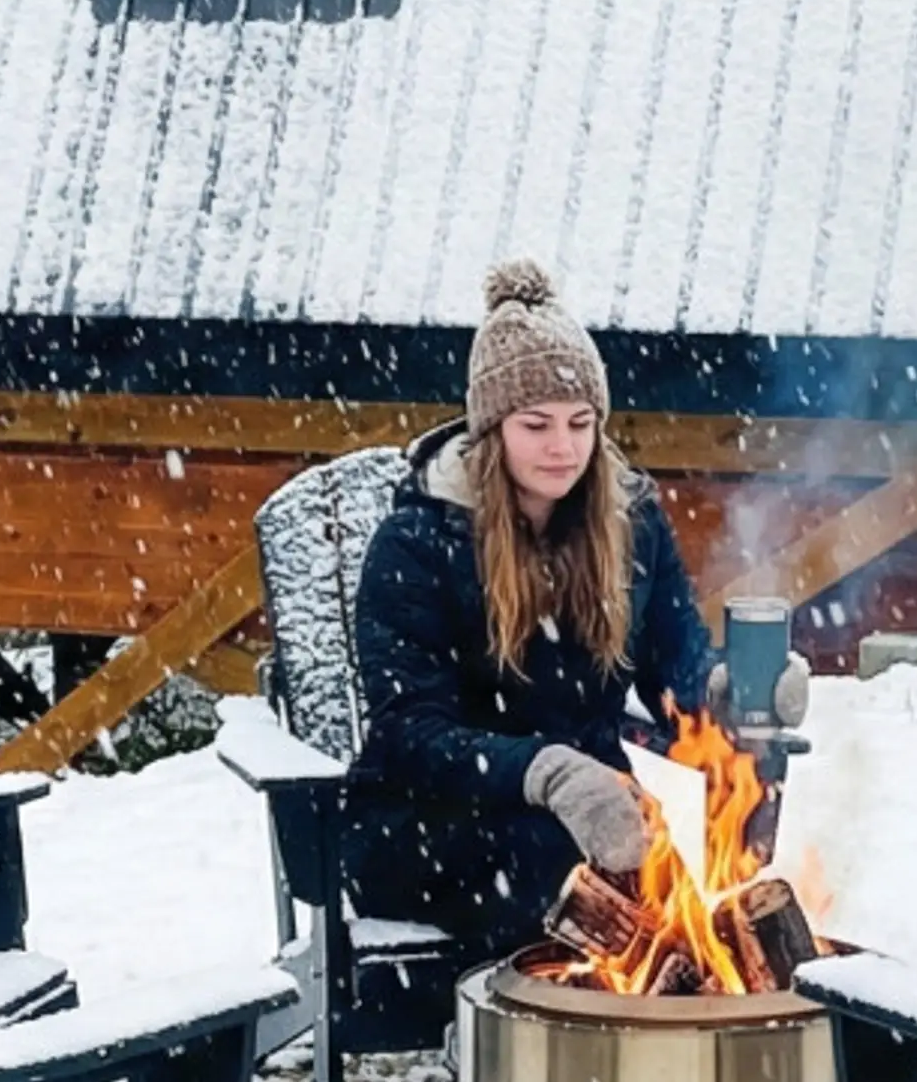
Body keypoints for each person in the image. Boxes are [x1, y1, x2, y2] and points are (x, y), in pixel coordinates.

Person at [345, 260, 806, 956]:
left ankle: (715, 1014)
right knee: (568, 874)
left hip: (593, 807)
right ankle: (523, 1036)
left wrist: (731, 692)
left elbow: (674, 661)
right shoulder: (418, 541)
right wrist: (547, 771)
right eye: (536, 425)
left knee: (714, 853)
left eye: (580, 423)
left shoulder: (631, 526)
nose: (562, 446)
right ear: (493, 429)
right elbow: (412, 733)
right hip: (428, 821)